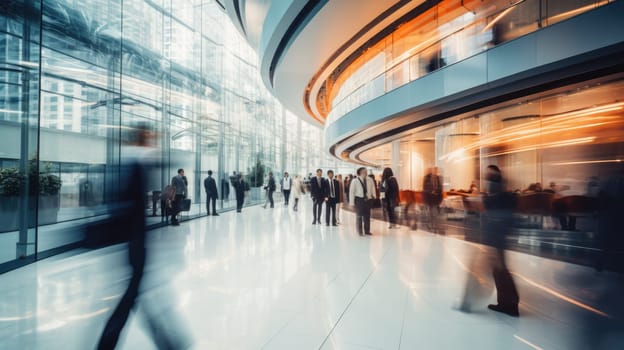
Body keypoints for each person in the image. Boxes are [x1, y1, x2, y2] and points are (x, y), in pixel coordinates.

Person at [97, 124, 192, 349]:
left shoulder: (130, 164)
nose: (154, 143)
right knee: (135, 295)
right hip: (134, 243)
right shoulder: (135, 164)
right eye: (150, 138)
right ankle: (165, 342)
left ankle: (164, 342)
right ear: (142, 140)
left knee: (136, 294)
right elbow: (127, 206)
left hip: (134, 242)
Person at [483, 165, 520, 317]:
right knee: (500, 269)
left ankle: (509, 303)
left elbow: (490, 206)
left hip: (497, 233)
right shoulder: (502, 189)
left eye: (488, 173)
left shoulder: (495, 188)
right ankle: (506, 302)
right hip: (500, 233)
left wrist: (485, 198)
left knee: (500, 269)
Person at [349, 167, 376, 236]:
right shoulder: (355, 180)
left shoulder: (370, 179)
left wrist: (374, 195)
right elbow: (352, 192)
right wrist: (351, 203)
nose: (366, 172)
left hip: (368, 200)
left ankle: (367, 231)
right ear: (360, 172)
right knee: (359, 216)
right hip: (359, 200)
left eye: (366, 171)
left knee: (367, 216)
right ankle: (360, 231)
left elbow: (373, 188)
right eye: (364, 171)